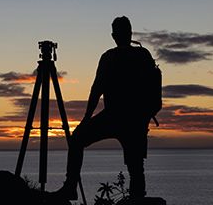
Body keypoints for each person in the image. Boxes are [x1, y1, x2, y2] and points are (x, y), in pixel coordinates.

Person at [53, 16, 161, 200]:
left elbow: (97, 89)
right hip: (126, 118)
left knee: (133, 164)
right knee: (135, 165)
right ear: (129, 33)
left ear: (114, 35)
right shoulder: (138, 56)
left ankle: (71, 186)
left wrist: (87, 118)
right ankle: (71, 187)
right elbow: (98, 89)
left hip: (123, 118)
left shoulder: (113, 57)